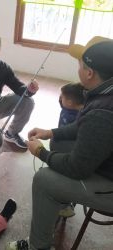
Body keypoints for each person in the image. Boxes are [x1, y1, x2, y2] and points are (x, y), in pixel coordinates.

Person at [6, 36, 113, 250]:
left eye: (80, 64)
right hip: (105, 162)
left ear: (90, 73)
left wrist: (40, 153)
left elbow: (77, 167)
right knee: (58, 143)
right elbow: (83, 126)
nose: (78, 69)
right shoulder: (103, 93)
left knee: (43, 180)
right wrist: (51, 132)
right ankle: (64, 203)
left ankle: (38, 246)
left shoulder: (102, 111)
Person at [53, 83, 84, 218]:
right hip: (74, 149)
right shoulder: (81, 110)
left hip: (69, 151)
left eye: (62, 98)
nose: (60, 99)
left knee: (62, 176)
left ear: (70, 102)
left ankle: (65, 206)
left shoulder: (71, 117)